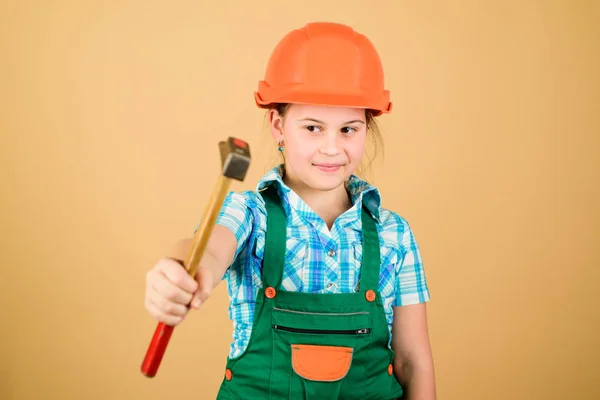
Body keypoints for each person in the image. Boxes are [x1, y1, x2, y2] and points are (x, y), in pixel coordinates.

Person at [144, 22, 436, 399]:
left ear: (367, 126)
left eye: (349, 129)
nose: (332, 148)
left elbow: (414, 362)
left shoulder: (393, 234)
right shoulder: (250, 215)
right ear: (278, 125)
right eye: (313, 127)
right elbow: (208, 249)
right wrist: (177, 273)